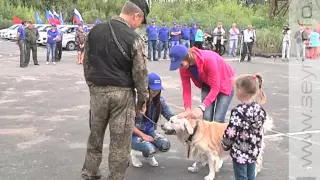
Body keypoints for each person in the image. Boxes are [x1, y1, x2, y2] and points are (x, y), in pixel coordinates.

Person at [81, 0, 150, 179]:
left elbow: (86, 63)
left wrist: (93, 86)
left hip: (97, 93)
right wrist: (142, 101)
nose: (138, 27)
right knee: (120, 144)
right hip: (122, 95)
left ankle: (90, 173)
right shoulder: (134, 38)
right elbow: (141, 73)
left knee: (94, 137)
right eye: (140, 22)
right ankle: (115, 177)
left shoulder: (94, 32)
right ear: (136, 16)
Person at [169, 45, 235, 122]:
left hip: (225, 82)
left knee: (218, 119)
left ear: (187, 56)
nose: (180, 68)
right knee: (206, 117)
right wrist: (187, 109)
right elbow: (186, 90)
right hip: (207, 83)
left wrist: (201, 107)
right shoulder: (183, 68)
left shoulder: (208, 59)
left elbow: (215, 88)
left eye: (180, 64)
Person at [221, 74, 267, 180]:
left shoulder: (238, 111)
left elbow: (231, 132)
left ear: (240, 91)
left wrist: (225, 144)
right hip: (254, 150)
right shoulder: (259, 109)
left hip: (240, 151)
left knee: (241, 176)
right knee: (251, 174)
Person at [131, 73, 174, 168]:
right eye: (153, 88)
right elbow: (127, 124)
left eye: (158, 89)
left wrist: (182, 120)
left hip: (150, 131)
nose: (156, 91)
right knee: (149, 149)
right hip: (135, 134)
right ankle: (134, 153)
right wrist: (143, 135)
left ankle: (149, 155)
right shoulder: (136, 101)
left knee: (165, 145)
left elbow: (170, 115)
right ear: (147, 87)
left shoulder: (159, 101)